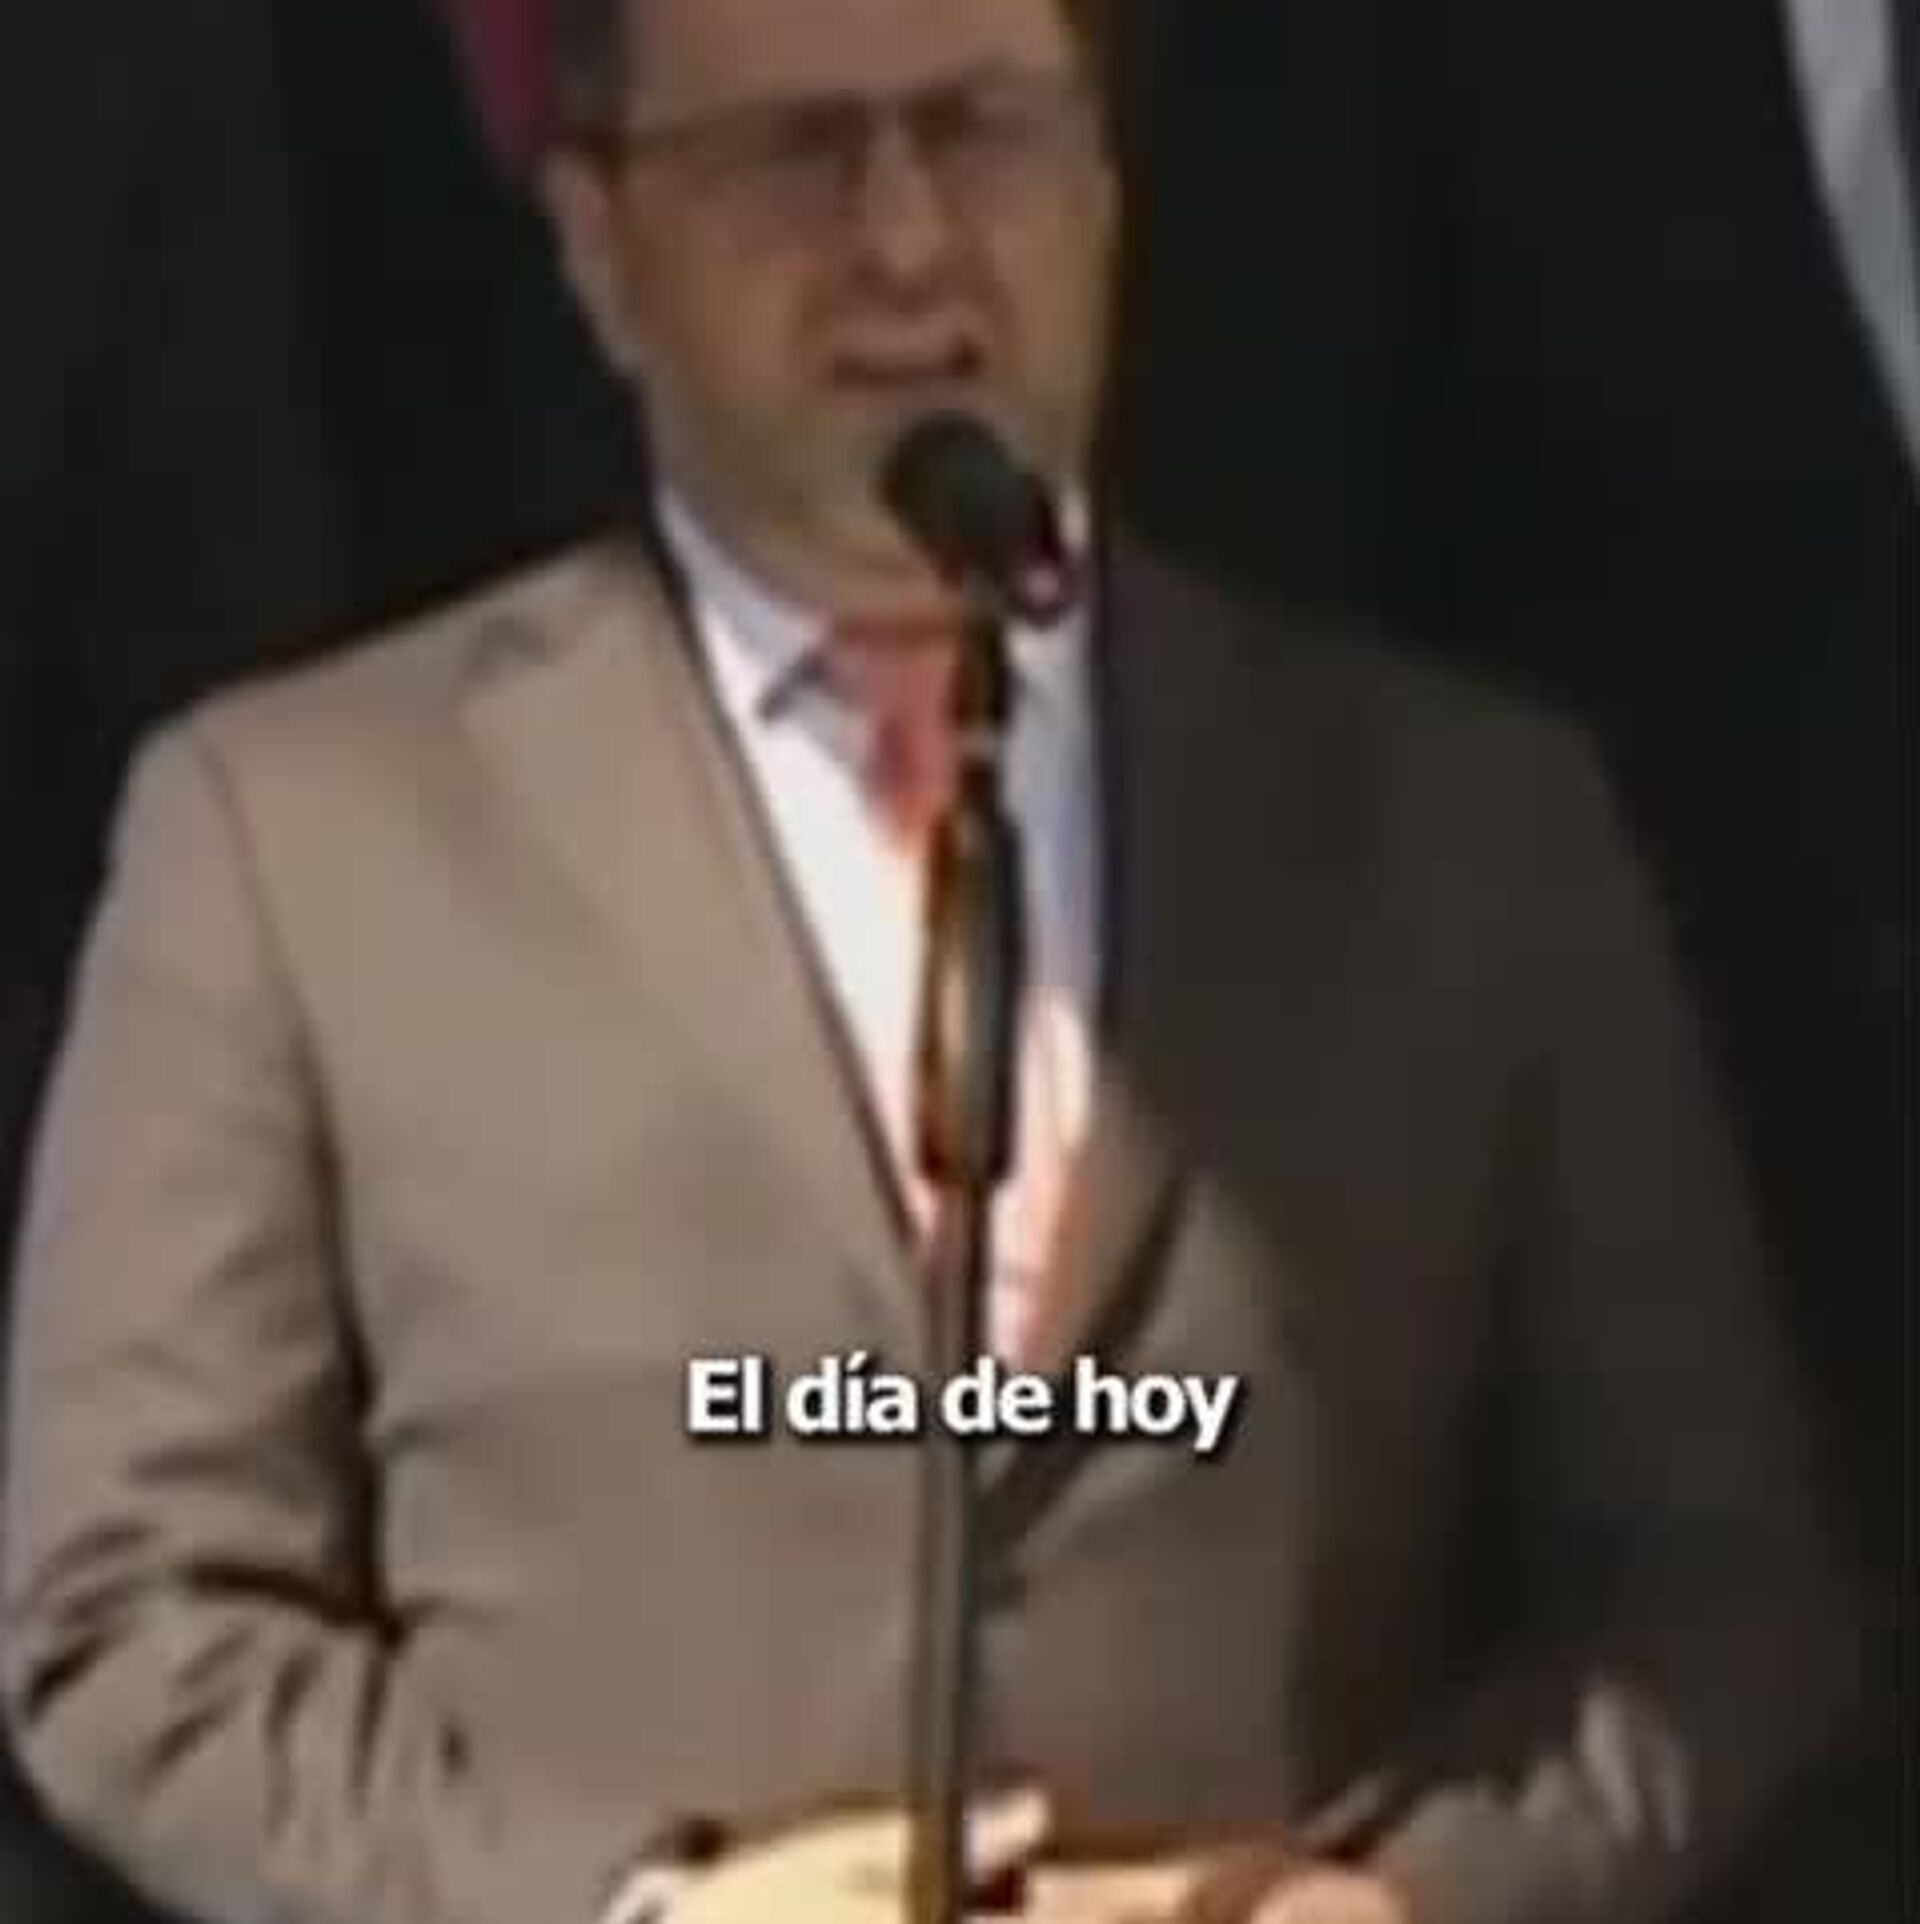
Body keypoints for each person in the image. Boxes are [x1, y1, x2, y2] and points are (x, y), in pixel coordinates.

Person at [0, 2, 1860, 1921]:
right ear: (598, 244)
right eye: (793, 157)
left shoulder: (1469, 826)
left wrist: (1404, 1904)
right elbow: (131, 1620)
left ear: (1107, 195)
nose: (903, 239)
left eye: (980, 129)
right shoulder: (291, 840)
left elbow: (1715, 1596)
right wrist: (633, 1914)